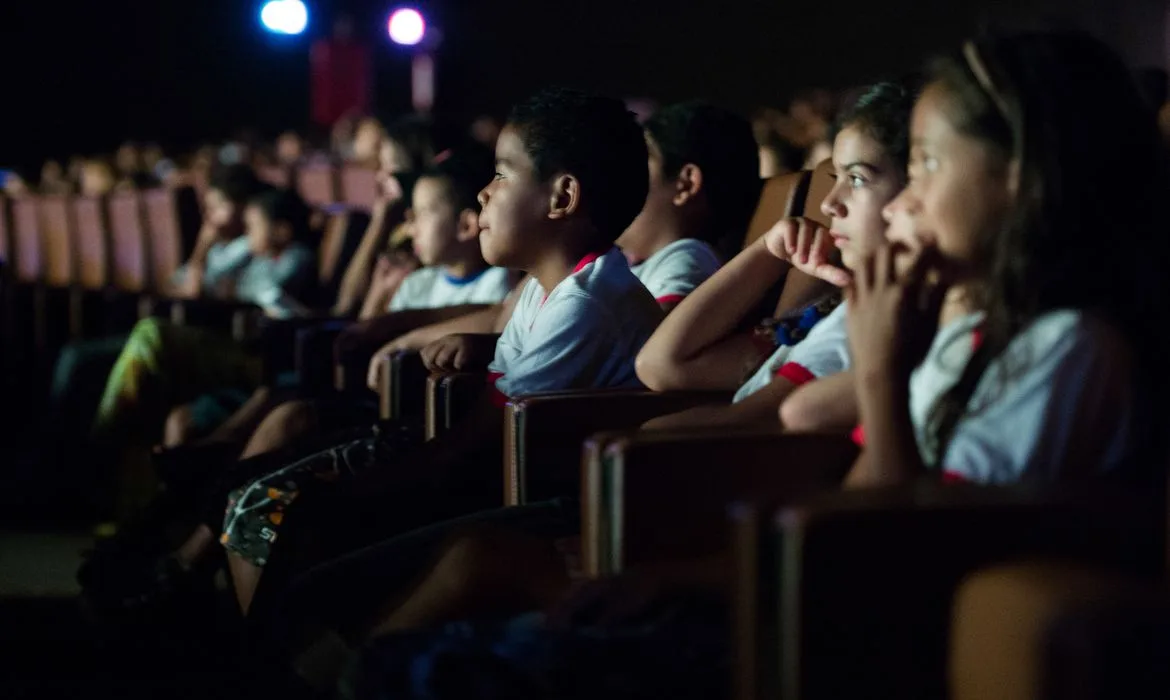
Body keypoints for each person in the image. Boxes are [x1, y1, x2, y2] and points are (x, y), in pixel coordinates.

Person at [344, 31, 1170, 698]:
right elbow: (847, 501)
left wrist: (882, 367)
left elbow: (895, 553)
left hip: (854, 645)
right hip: (788, 583)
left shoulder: (1068, 348)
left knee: (441, 651)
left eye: (925, 167)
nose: (906, 200)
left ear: (1022, 179)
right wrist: (691, 577)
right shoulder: (965, 333)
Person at [218, 87, 661, 614]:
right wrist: (485, 347)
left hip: (525, 499)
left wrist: (352, 489)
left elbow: (470, 445)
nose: (483, 195)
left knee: (294, 529)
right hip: (486, 476)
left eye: (501, 174)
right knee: (265, 500)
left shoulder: (584, 302)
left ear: (562, 197)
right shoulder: (551, 286)